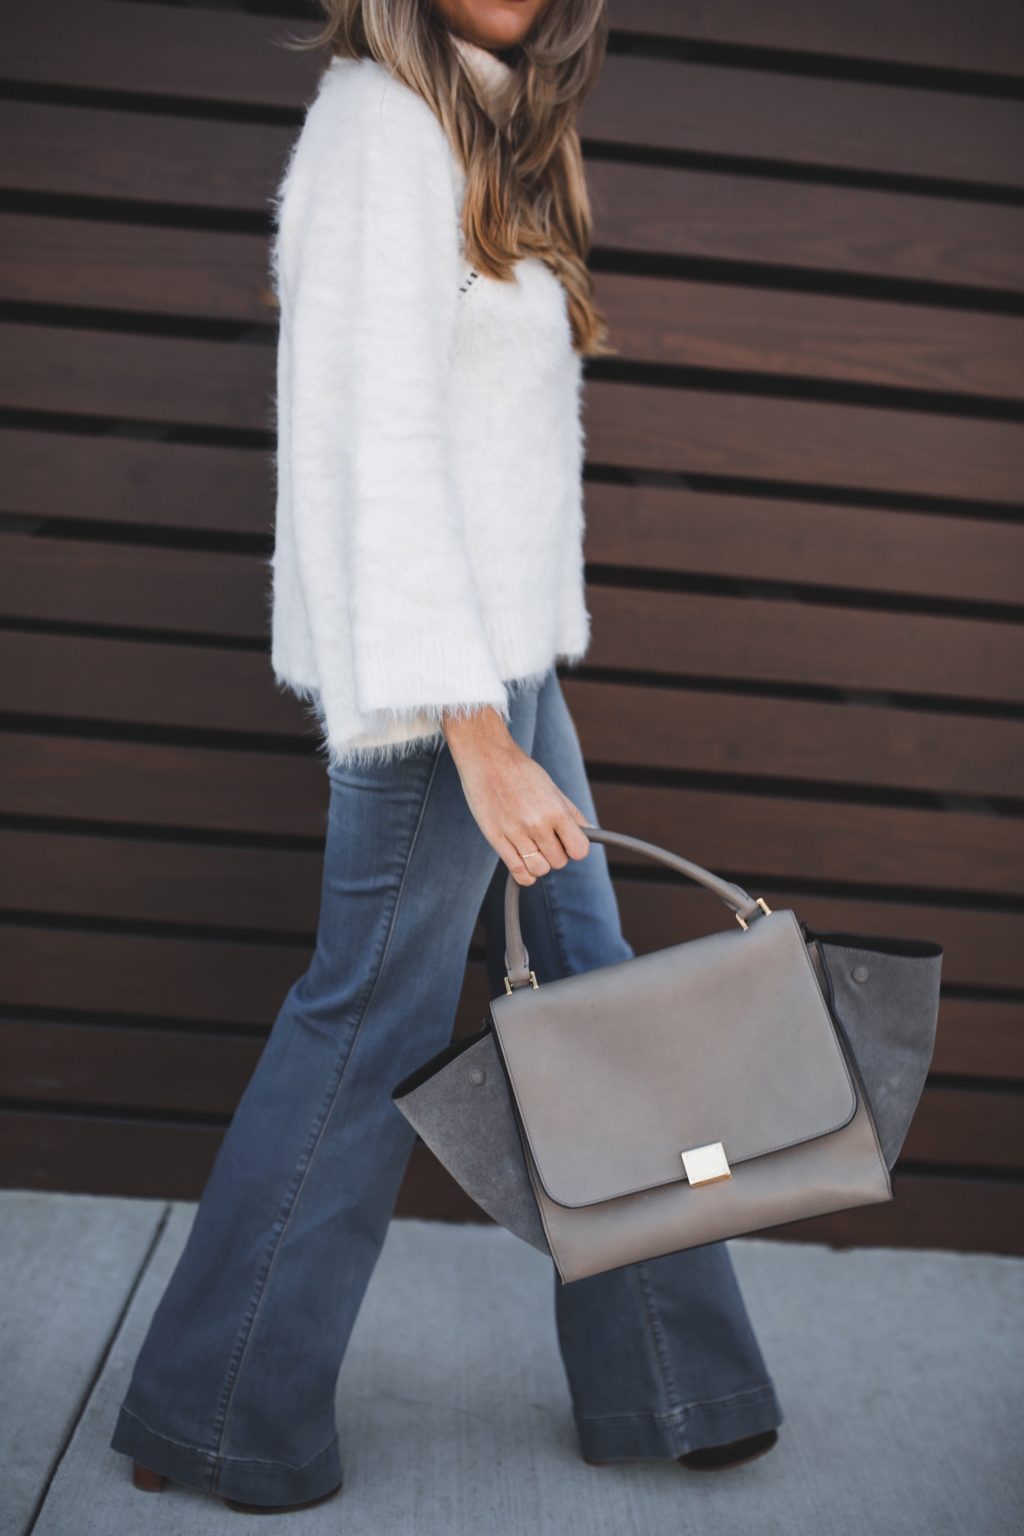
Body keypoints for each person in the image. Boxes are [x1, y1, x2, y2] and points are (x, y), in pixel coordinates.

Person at [109, 0, 783, 1513]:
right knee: (371, 1016)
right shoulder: (375, 131)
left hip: (501, 655)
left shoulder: (483, 131)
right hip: (438, 688)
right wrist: (470, 729)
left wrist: (509, 687)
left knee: (590, 986)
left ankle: (674, 1377)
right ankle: (217, 1411)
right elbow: (372, 448)